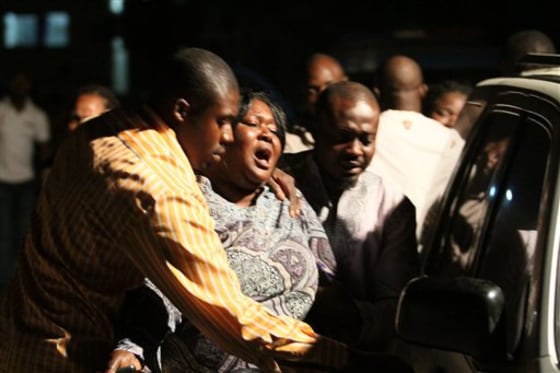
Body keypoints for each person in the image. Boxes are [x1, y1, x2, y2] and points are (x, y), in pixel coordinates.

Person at [0, 47, 410, 373]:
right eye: (227, 122)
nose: (229, 136)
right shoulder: (162, 191)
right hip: (69, 354)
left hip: (23, 338)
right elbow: (230, 315)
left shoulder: (103, 132)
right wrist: (346, 359)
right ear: (182, 111)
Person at [108, 89, 339, 372]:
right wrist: (133, 347)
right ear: (225, 135)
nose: (267, 134)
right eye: (253, 124)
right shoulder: (189, 202)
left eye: (275, 130)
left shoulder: (291, 202)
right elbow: (163, 289)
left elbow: (331, 289)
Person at [280, 81, 420, 353]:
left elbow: (397, 309)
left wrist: (343, 312)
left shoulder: (391, 205)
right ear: (316, 130)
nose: (355, 150)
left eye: (366, 140)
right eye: (342, 137)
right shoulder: (278, 178)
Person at [368, 54, 465, 233]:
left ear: (377, 91)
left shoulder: (366, 139)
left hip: (383, 244)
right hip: (437, 246)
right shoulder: (452, 141)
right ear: (423, 90)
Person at [0, 71, 51, 290]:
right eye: (16, 82)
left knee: (23, 233)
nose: (20, 86)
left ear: (29, 86)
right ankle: (4, 283)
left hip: (27, 181)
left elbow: (45, 147)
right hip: (2, 180)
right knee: (3, 234)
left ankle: (20, 283)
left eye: (24, 82)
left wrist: (44, 174)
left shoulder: (37, 115)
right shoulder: (1, 110)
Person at [284, 52, 348, 154]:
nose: (322, 96)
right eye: (313, 90)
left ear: (345, 84)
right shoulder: (291, 144)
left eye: (330, 87)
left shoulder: (368, 132)